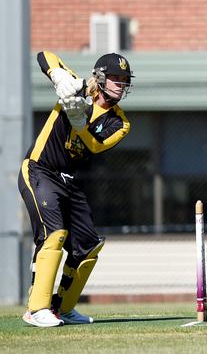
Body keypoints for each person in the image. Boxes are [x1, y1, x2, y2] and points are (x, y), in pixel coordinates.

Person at [18, 51, 134, 327]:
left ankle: (63, 308)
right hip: (39, 169)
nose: (121, 84)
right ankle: (37, 309)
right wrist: (59, 77)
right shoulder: (78, 86)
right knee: (55, 233)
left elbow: (95, 145)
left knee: (89, 245)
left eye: (124, 80)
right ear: (101, 78)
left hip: (69, 180)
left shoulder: (120, 122)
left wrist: (80, 122)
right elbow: (44, 55)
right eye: (116, 78)